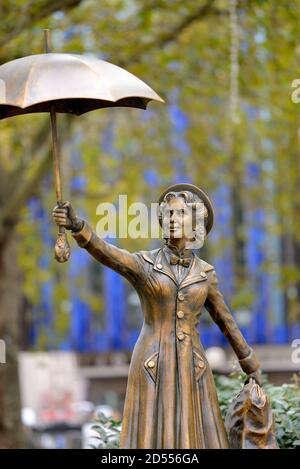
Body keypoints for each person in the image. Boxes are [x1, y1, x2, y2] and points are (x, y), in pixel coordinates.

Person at [52, 183, 261, 449]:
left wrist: (249, 363)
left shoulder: (206, 273)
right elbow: (107, 253)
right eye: (169, 214)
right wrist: (78, 226)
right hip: (152, 362)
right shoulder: (144, 264)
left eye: (181, 214)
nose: (173, 220)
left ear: (195, 223)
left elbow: (226, 320)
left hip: (192, 366)